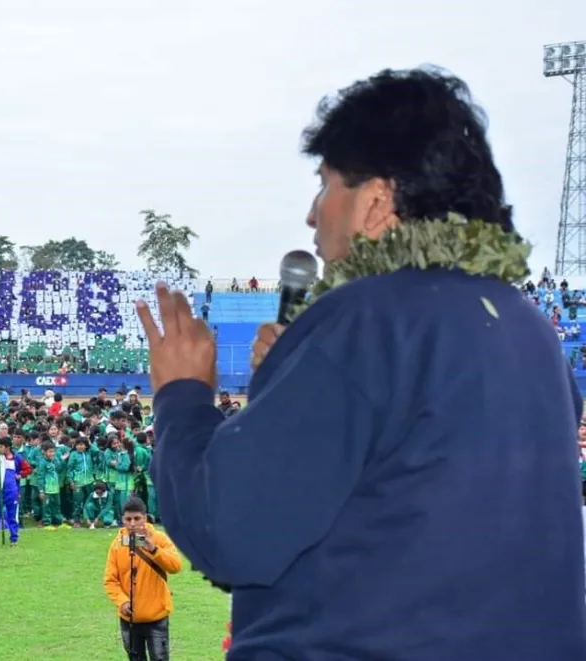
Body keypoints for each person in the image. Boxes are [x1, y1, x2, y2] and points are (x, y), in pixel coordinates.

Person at [140, 68, 586, 659]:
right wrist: (295, 383)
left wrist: (182, 395)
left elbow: (231, 532)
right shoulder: (527, 326)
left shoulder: (366, 319)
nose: (312, 213)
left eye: (325, 185)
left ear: (376, 202)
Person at [103, 497, 181, 661]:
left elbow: (175, 566)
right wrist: (122, 602)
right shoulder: (117, 545)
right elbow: (110, 580)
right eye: (128, 519)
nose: (132, 523)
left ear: (145, 518)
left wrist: (153, 549)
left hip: (156, 617)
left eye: (137, 518)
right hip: (129, 619)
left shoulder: (159, 539)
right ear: (122, 519)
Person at [0, 437, 30, 546]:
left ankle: (14, 539)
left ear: (7, 447)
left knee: (12, 516)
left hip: (12, 491)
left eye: (1, 446)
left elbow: (28, 469)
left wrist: (21, 475)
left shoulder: (17, 458)